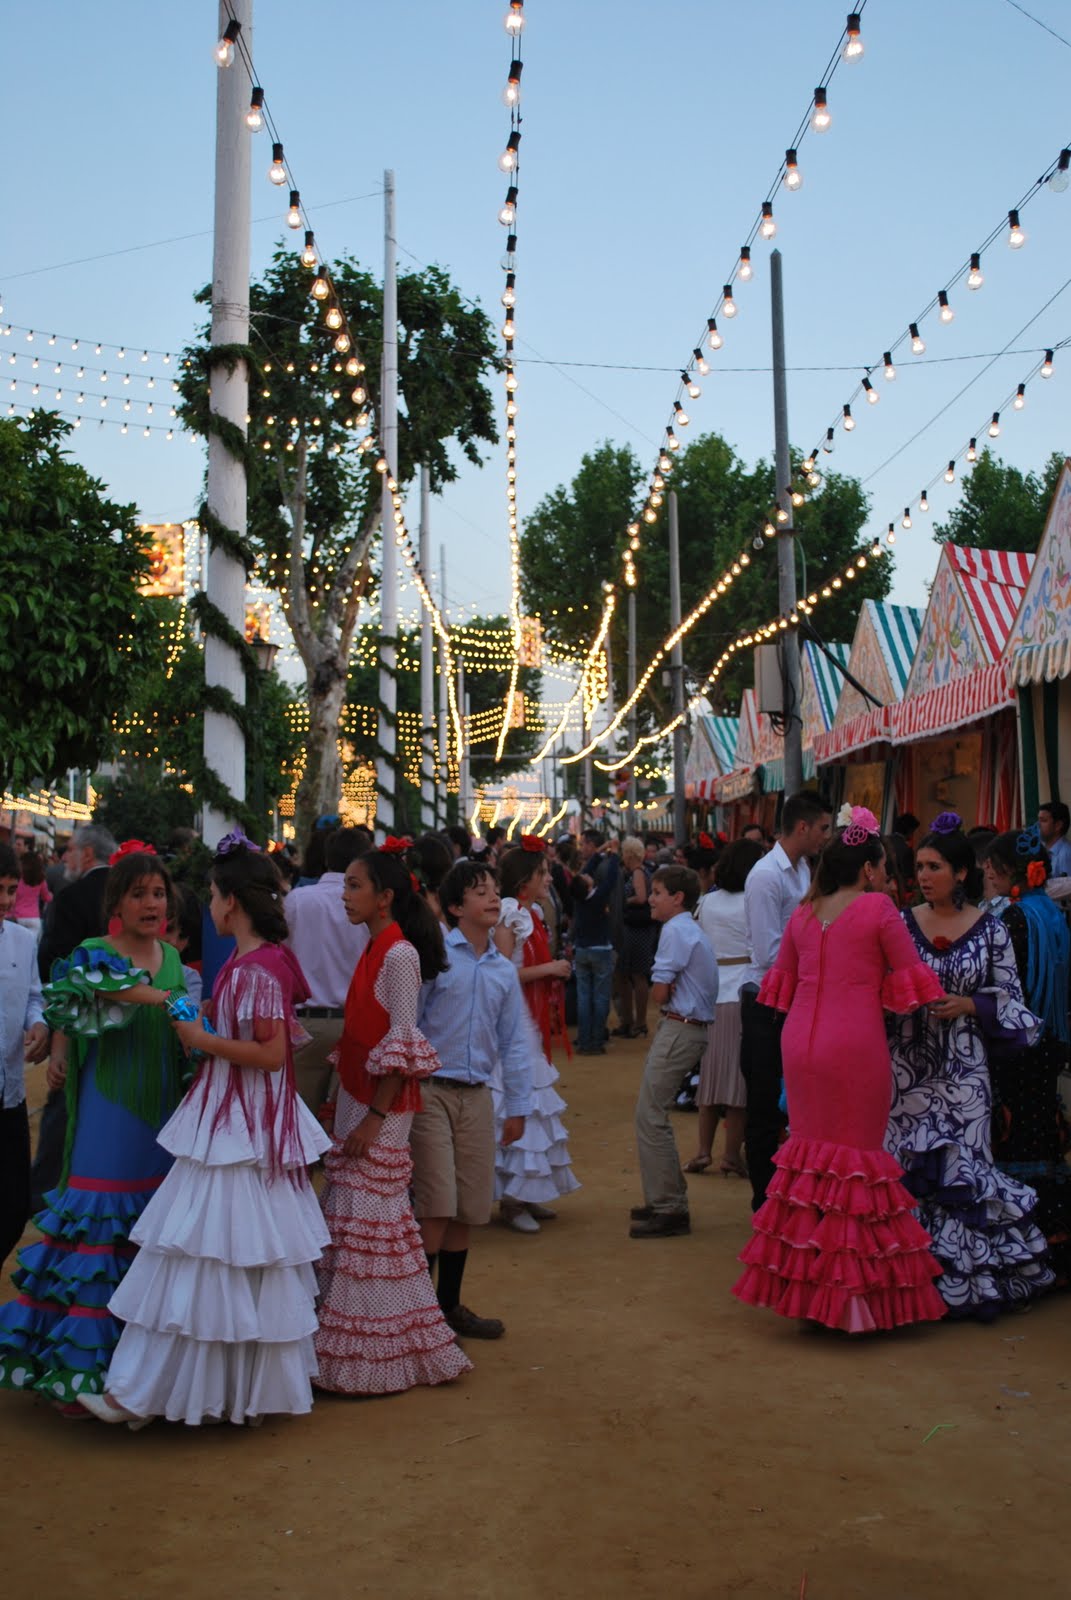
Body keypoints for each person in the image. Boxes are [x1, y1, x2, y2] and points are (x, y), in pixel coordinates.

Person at [78, 836, 331, 1427]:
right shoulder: (260, 963)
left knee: (198, 1257)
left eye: (214, 894)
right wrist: (197, 1020)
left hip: (235, 1126)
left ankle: (142, 1396)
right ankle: (210, 1395)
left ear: (231, 903)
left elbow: (269, 1054)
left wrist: (201, 1039)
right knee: (231, 1262)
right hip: (245, 1124)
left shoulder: (256, 967)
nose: (207, 906)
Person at [732, 808, 947, 1333]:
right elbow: (910, 984)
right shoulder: (878, 908)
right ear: (871, 868)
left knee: (808, 1168)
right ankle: (850, 1304)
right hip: (853, 1044)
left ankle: (809, 1298)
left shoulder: (805, 911)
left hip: (800, 1045)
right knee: (856, 1166)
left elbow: (778, 981)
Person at [0, 845, 188, 1408]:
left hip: (160, 1114)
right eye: (139, 894)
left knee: (146, 1232)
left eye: (158, 894)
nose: (151, 904)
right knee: (96, 1228)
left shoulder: (173, 960)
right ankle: (72, 1375)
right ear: (117, 903)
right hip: (106, 1111)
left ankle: (135, 1374)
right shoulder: (93, 953)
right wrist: (59, 1052)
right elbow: (75, 1004)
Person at [313, 846, 471, 1394]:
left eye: (355, 885)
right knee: (366, 1228)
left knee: (372, 1226)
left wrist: (371, 1121)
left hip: (379, 1112)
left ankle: (374, 1354)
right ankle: (370, 1347)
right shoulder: (377, 948)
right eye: (347, 883)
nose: (345, 894)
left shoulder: (398, 954)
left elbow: (401, 1047)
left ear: (384, 897)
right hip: (364, 1105)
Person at [885, 813, 1054, 1319]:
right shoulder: (898, 923)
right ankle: (907, 1279)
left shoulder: (992, 929)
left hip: (964, 1071)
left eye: (935, 866)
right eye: (919, 866)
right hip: (907, 1066)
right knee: (908, 1163)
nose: (924, 875)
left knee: (965, 1170)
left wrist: (970, 1006)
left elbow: (1012, 998)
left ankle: (967, 1284)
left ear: (962, 873)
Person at [411, 858, 533, 1340]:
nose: (492, 898)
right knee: (438, 1203)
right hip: (430, 1091)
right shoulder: (435, 957)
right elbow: (410, 1023)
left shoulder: (502, 971)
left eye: (495, 889)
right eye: (480, 891)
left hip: (477, 1096)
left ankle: (448, 1307)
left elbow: (514, 1041)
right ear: (455, 906)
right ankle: (418, 1314)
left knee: (469, 1207)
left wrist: (519, 1105)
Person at [982, 828, 1071, 1288]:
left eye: (989, 867)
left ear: (1003, 871)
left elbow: (1001, 990)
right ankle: (1057, 1241)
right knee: (1044, 1138)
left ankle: (1025, 1249)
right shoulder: (1052, 914)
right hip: (1051, 1041)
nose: (985, 873)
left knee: (1016, 1139)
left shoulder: (1012, 920)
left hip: (1019, 1047)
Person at [739, 792, 832, 1211]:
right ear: (802, 828)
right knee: (764, 1108)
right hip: (766, 1004)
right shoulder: (765, 875)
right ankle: (764, 1202)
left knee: (793, 1103)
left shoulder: (803, 869)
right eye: (824, 829)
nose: (826, 837)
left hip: (795, 1001)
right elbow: (766, 952)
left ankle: (787, 1199)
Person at [493, 840, 579, 1233]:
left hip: (529, 1017)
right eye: (542, 873)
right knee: (522, 1102)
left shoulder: (531, 912)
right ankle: (512, 1199)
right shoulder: (511, 915)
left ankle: (525, 1192)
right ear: (524, 880)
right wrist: (549, 970)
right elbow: (501, 973)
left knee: (535, 1104)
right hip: (513, 1021)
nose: (549, 878)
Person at [630, 865, 719, 1239]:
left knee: (651, 1114)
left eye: (658, 892)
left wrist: (660, 995)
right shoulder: (687, 929)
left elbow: (660, 990)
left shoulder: (676, 930)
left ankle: (669, 1206)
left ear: (678, 898)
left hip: (681, 1027)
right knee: (651, 1113)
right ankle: (665, 1198)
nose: (651, 898)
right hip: (687, 1027)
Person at [31, 822, 117, 1209]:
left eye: (70, 850)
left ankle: (47, 1190)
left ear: (86, 854)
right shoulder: (127, 894)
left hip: (77, 1023)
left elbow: (54, 967)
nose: (64, 857)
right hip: (129, 1024)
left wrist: (54, 1026)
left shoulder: (70, 899)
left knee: (63, 1101)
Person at [685, 838, 765, 1178]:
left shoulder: (707, 902)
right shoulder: (753, 901)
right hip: (744, 990)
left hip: (710, 993)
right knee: (737, 1082)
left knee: (709, 1077)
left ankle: (704, 1150)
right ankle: (731, 1155)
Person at [285, 827, 371, 1116]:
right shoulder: (370, 905)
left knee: (297, 1124)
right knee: (345, 1125)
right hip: (355, 1024)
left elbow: (279, 955)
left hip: (305, 1024)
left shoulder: (298, 900)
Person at [0, 845, 49, 1263]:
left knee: (16, 1205)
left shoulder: (21, 940)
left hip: (10, 1095)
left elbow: (34, 996)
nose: (5, 899)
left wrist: (39, 1023)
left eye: (11, 889)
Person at [570, 828, 620, 1055]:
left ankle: (584, 1038)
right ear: (589, 885)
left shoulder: (580, 898)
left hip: (582, 950)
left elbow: (587, 871)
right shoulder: (599, 897)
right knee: (600, 998)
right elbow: (611, 877)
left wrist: (601, 852)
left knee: (583, 997)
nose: (588, 874)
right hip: (601, 950)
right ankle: (597, 1040)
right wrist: (614, 854)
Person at [614, 836, 655, 1040]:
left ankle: (637, 1022)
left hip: (635, 930)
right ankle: (632, 1021)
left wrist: (622, 901)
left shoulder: (637, 873)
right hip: (637, 930)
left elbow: (641, 898)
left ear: (629, 854)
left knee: (635, 975)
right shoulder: (641, 871)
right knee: (630, 974)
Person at [11, 847, 51, 936]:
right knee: (31, 948)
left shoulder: (18, 879)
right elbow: (47, 898)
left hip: (17, 917)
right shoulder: (41, 879)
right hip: (34, 918)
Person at [1038, 801, 1071, 878]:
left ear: (1058, 825)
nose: (1038, 825)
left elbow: (1066, 888)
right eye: (1039, 820)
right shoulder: (1040, 847)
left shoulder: (1066, 854)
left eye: (1043, 820)